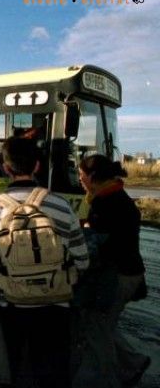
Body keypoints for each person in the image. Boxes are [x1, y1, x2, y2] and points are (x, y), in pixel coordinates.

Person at [0, 136, 90, 388]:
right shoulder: (61, 205)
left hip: (8, 303)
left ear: (6, 168)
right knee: (52, 373)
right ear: (37, 166)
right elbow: (82, 259)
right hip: (55, 305)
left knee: (8, 367)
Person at [75, 154, 150, 386]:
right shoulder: (115, 196)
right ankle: (132, 364)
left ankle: (105, 379)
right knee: (103, 325)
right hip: (129, 272)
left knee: (96, 328)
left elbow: (99, 245)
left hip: (117, 276)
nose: (79, 179)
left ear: (93, 176)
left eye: (81, 174)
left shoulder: (106, 203)